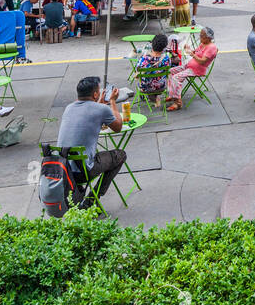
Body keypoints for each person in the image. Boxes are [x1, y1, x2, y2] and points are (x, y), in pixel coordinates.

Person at [56, 76, 130, 207]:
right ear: (95, 94)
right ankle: (91, 200)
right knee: (120, 155)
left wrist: (99, 104)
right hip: (82, 172)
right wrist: (112, 101)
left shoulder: (69, 108)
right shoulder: (101, 109)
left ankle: (86, 198)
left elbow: (89, 112)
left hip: (63, 169)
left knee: (99, 156)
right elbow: (118, 127)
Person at [165, 26, 217, 111]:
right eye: (200, 35)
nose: (200, 37)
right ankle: (172, 95)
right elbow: (195, 52)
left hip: (197, 70)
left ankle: (177, 102)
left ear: (208, 38)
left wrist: (192, 54)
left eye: (201, 36)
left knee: (176, 77)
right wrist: (189, 49)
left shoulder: (211, 47)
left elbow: (202, 61)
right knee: (170, 71)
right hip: (190, 66)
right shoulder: (203, 43)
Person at [135, 33, 174, 103]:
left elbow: (137, 70)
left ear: (152, 44)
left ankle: (150, 97)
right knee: (157, 77)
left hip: (145, 88)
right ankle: (155, 96)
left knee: (144, 79)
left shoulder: (144, 58)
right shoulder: (166, 58)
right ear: (164, 47)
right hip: (161, 87)